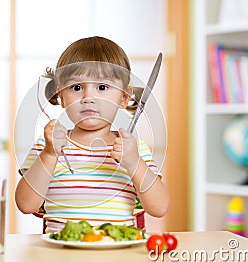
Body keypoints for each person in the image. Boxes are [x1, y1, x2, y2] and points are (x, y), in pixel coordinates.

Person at [15, 36, 169, 233]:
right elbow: (25, 205)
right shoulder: (49, 145)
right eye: (76, 87)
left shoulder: (132, 148)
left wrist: (133, 162)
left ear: (124, 97)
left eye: (102, 87)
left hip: (118, 256)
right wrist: (49, 154)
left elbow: (159, 207)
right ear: (61, 96)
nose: (88, 97)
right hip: (61, 256)